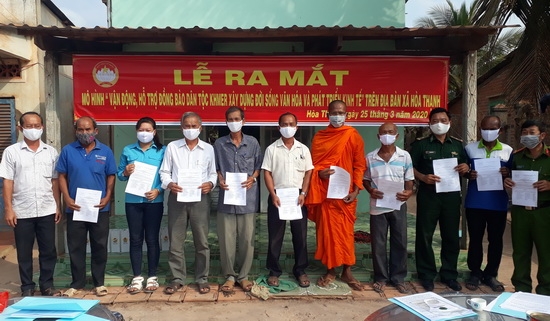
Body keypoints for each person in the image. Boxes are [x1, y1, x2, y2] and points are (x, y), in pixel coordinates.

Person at [305, 99, 367, 291]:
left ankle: (347, 270)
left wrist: (356, 190)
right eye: (334, 112)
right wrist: (319, 173)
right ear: (327, 114)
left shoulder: (352, 136)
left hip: (345, 196)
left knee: (346, 235)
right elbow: (312, 166)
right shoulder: (320, 137)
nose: (337, 116)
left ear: (346, 115)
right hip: (326, 195)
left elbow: (359, 165)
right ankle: (330, 269)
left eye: (341, 113)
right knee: (326, 235)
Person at [0, 112, 62, 297]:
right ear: (20, 128)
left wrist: (57, 205)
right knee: (24, 252)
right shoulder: (12, 152)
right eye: (29, 126)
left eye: (37, 126)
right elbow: (8, 181)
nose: (33, 129)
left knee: (48, 250)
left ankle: (47, 285)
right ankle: (27, 287)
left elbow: (55, 181)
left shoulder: (51, 152)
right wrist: (9, 208)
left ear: (42, 127)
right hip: (22, 210)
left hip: (46, 208)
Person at [56, 116, 117, 297]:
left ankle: (99, 283)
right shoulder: (68, 151)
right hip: (76, 207)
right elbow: (61, 176)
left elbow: (111, 176)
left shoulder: (105, 151)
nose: (85, 133)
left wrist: (107, 197)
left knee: (99, 245)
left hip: (99, 208)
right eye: (81, 130)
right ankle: (77, 283)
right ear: (76, 131)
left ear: (95, 131)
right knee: (76, 246)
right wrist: (66, 198)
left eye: (88, 129)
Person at [409, 107, 469, 292]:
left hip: (451, 197)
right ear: (429, 123)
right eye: (435, 121)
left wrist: (466, 167)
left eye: (443, 120)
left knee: (450, 236)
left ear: (449, 123)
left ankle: (449, 274)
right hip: (429, 196)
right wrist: (423, 177)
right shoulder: (420, 145)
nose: (439, 124)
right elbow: (409, 168)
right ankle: (426, 275)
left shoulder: (458, 145)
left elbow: (467, 168)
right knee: (425, 235)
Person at [159, 112, 217, 295]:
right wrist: (169, 184)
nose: (190, 129)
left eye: (194, 126)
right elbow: (164, 172)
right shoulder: (172, 147)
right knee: (176, 241)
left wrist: (211, 183)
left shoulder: (208, 148)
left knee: (202, 241)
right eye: (187, 126)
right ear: (181, 127)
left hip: (200, 199)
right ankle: (177, 278)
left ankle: (202, 278)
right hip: (177, 198)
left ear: (200, 127)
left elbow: (213, 173)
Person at [262, 112, 314, 288]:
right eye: (284, 124)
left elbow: (308, 172)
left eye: (291, 124)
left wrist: (304, 193)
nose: (288, 127)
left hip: (298, 196)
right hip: (278, 196)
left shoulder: (303, 149)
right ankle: (274, 271)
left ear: (297, 127)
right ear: (279, 127)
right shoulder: (272, 149)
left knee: (300, 235)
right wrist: (273, 194)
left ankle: (300, 270)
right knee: (275, 236)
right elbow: (267, 172)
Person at [214, 106, 262, 293]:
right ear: (226, 122)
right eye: (230, 119)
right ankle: (230, 276)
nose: (234, 122)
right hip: (227, 198)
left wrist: (253, 178)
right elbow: (215, 167)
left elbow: (259, 165)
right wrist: (219, 178)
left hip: (247, 198)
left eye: (237, 119)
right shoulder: (219, 144)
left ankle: (243, 276)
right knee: (226, 239)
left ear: (243, 120)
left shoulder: (253, 143)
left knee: (247, 239)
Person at [363, 122, 414, 294]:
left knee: (400, 241)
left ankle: (398, 278)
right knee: (378, 243)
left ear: (397, 136)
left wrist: (408, 192)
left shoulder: (404, 156)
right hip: (377, 206)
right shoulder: (370, 157)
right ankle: (381, 277)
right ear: (378, 137)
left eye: (390, 132)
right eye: (383, 133)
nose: (387, 135)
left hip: (398, 204)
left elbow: (409, 178)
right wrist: (370, 190)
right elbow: (365, 179)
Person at [463, 115, 512, 292]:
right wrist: (469, 174)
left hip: (497, 203)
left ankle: (491, 274)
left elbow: (513, 176)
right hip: (475, 202)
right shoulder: (470, 149)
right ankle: (475, 273)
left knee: (496, 240)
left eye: (492, 128)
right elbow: (463, 170)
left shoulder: (508, 150)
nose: (488, 132)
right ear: (480, 129)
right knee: (475, 239)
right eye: (484, 128)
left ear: (500, 130)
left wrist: (507, 173)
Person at [117, 117, 165, 294]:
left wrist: (158, 191)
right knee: (135, 239)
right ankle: (137, 277)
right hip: (133, 201)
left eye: (148, 130)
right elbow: (120, 175)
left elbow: (166, 176)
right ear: (137, 131)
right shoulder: (128, 150)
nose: (144, 133)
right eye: (141, 130)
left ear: (154, 132)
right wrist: (125, 171)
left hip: (154, 201)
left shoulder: (162, 151)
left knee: (152, 239)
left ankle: (152, 276)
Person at [504, 120, 550, 295]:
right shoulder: (516, 157)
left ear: (542, 135)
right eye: (525, 133)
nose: (528, 136)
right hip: (521, 211)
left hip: (544, 212)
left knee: (546, 253)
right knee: (521, 252)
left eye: (532, 132)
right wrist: (506, 181)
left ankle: (546, 292)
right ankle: (521, 290)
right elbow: (508, 175)